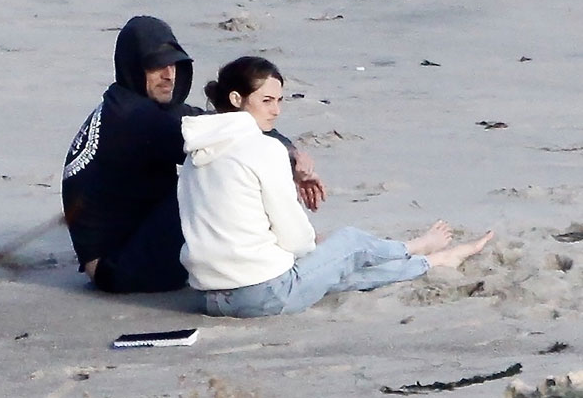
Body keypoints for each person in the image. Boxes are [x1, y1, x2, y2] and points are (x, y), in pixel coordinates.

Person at [177, 56, 494, 317]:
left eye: (279, 101)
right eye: (267, 101)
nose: (276, 110)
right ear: (237, 99)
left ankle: (433, 261)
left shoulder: (196, 154)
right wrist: (314, 244)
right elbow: (296, 240)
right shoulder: (264, 148)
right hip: (263, 295)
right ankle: (413, 248)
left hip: (209, 298)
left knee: (336, 270)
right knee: (349, 242)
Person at [62, 16, 322, 293]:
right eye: (157, 66)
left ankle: (266, 248)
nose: (169, 75)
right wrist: (287, 159)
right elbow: (232, 138)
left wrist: (290, 152)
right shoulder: (134, 118)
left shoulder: (128, 101)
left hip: (122, 247)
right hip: (116, 268)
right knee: (219, 172)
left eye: (174, 64)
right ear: (133, 66)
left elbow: (218, 123)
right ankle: (271, 253)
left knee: (217, 166)